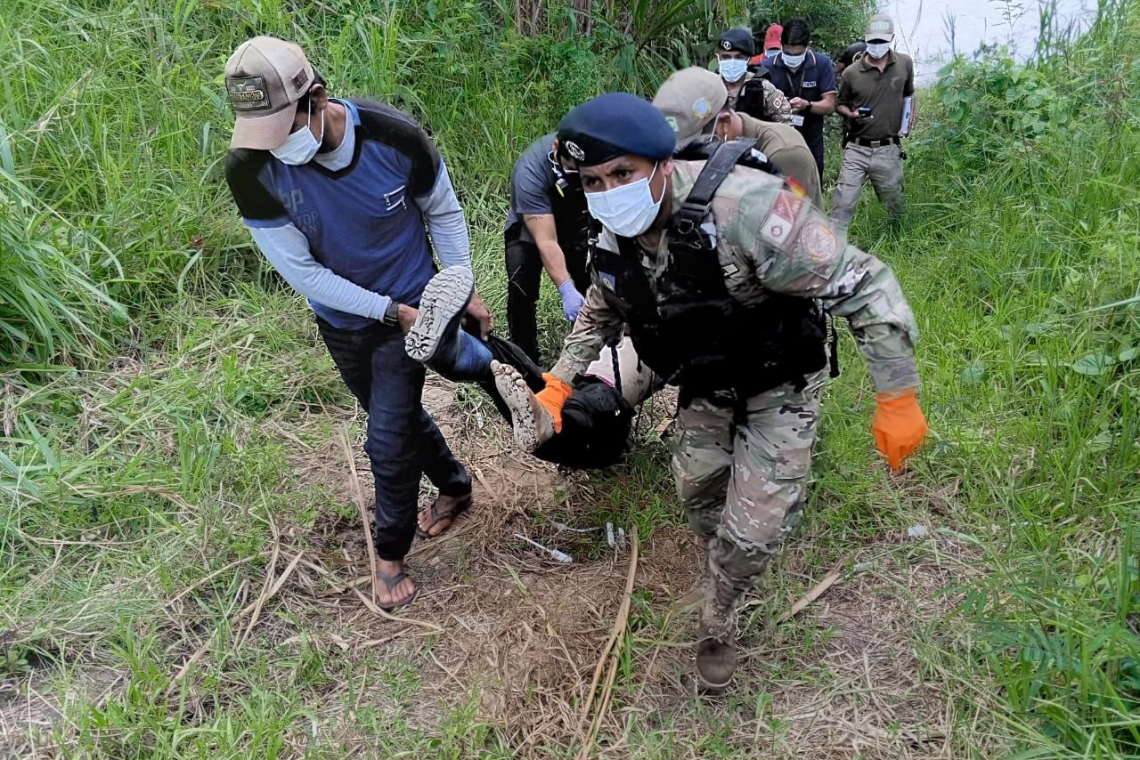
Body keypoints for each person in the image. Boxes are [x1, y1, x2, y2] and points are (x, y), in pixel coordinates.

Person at [516, 92, 928, 690]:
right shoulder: (612, 230)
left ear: (660, 162)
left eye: (622, 173)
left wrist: (897, 396)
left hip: (778, 375)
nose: (609, 191)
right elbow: (605, 303)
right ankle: (725, 553)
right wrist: (560, 375)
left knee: (753, 530)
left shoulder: (749, 209)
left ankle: (720, 614)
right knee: (698, 490)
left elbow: (864, 284)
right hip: (708, 375)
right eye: (593, 181)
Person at [221, 36, 493, 611]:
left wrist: (457, 285)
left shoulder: (393, 136)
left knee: (386, 438)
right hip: (346, 322)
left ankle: (390, 556)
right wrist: (388, 311)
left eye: (283, 127)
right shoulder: (249, 168)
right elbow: (304, 272)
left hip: (416, 306)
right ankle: (455, 484)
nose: (276, 146)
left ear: (316, 98)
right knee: (397, 419)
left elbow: (442, 210)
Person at [654, 67, 824, 207]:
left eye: (694, 146)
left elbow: (793, 233)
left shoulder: (784, 153)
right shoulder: (726, 146)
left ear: (724, 124)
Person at [504, 134, 593, 364]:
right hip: (531, 225)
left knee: (591, 281)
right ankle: (525, 361)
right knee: (521, 288)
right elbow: (546, 240)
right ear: (555, 148)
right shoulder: (530, 171)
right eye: (571, 169)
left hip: (575, 219)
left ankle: (594, 354)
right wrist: (565, 287)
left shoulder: (599, 157)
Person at [832, 14, 917, 226]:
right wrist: (851, 114)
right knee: (843, 203)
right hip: (857, 148)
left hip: (888, 147)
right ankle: (831, 249)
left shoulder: (904, 64)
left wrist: (908, 120)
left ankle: (898, 243)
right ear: (866, 39)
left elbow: (909, 95)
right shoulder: (851, 73)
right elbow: (839, 104)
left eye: (882, 41)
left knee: (895, 204)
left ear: (891, 39)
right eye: (873, 41)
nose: (877, 46)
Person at [763, 18, 837, 182]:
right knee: (778, 184)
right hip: (778, 137)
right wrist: (778, 106)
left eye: (797, 54)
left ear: (807, 46)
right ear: (781, 45)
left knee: (811, 183)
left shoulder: (821, 64)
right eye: (788, 53)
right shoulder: (767, 66)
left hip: (811, 135)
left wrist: (807, 105)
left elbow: (830, 104)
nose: (792, 57)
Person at [715, 28, 792, 125]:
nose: (732, 62)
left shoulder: (763, 88)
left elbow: (785, 125)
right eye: (726, 57)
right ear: (718, 58)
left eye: (739, 57)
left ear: (749, 59)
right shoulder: (710, 87)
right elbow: (695, 120)